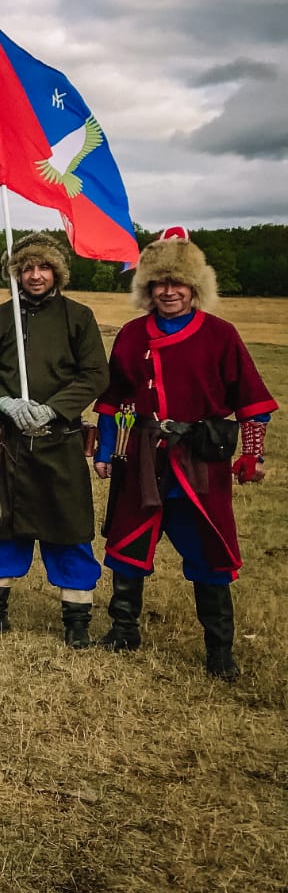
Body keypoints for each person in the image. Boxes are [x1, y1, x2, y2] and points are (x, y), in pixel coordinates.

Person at [93, 227, 275, 679]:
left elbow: (252, 400)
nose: (169, 292)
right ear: (148, 288)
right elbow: (113, 400)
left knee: (209, 549)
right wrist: (104, 448)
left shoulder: (220, 335)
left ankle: (219, 651)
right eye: (160, 283)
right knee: (127, 539)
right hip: (142, 457)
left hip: (199, 459)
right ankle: (123, 630)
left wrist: (251, 454)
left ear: (194, 288)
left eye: (178, 284)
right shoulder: (132, 336)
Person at [0, 232, 108, 646]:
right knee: (2, 523)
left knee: (69, 527)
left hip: (60, 442)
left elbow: (96, 374)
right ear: (16, 272)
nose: (35, 275)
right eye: (26, 267)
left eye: (43, 267)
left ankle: (76, 620)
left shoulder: (78, 317)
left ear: (57, 271)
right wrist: (5, 403)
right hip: (10, 444)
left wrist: (54, 408)